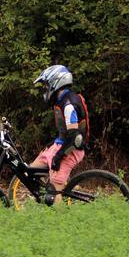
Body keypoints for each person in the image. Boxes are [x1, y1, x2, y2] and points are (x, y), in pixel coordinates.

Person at [30, 64, 88, 197]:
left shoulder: (69, 105)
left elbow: (75, 137)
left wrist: (59, 156)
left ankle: (58, 211)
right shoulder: (61, 100)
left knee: (54, 192)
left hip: (71, 149)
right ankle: (49, 197)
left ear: (55, 82)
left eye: (46, 84)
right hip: (60, 144)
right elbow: (66, 132)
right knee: (31, 171)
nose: (45, 88)